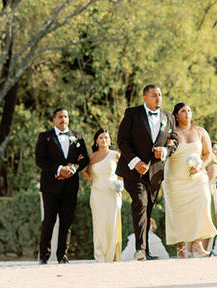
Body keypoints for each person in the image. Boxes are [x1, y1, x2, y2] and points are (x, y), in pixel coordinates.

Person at [116, 84, 179, 260]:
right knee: (141, 202)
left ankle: (145, 249)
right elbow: (122, 140)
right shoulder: (132, 113)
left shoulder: (168, 117)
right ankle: (140, 249)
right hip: (133, 170)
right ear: (145, 97)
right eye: (154, 95)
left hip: (155, 172)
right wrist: (135, 162)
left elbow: (174, 140)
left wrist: (165, 152)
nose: (158, 98)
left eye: (160, 95)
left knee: (148, 207)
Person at [163, 103, 217, 257]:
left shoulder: (200, 131)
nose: (187, 113)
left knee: (202, 203)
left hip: (197, 178)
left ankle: (197, 242)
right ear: (176, 115)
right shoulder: (169, 132)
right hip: (175, 179)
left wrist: (200, 166)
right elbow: (163, 152)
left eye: (189, 110)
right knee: (178, 213)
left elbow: (208, 153)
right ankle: (181, 247)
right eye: (183, 111)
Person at [35, 108, 89, 265]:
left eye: (66, 116)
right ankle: (43, 256)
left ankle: (62, 256)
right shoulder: (45, 137)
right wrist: (59, 169)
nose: (63, 119)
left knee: (67, 221)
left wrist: (73, 169)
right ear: (54, 120)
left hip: (70, 186)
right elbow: (40, 160)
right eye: (60, 117)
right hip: (50, 185)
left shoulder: (77, 137)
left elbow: (84, 158)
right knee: (49, 220)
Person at [82, 128, 122, 263]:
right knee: (99, 224)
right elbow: (89, 176)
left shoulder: (116, 155)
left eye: (106, 137)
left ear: (110, 140)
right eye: (101, 138)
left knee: (113, 223)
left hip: (112, 192)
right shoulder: (92, 157)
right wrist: (81, 169)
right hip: (98, 193)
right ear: (96, 141)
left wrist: (120, 185)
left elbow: (122, 175)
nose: (104, 140)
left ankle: (113, 255)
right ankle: (100, 255)